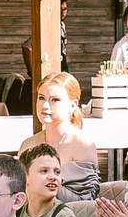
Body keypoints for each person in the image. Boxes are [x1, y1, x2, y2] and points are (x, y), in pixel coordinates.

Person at [21, 71, 99, 204]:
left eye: (54, 100)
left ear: (72, 105)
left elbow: (86, 201)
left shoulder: (82, 144)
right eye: (41, 98)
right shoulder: (28, 145)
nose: (45, 106)